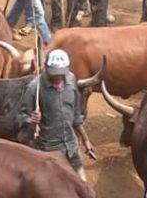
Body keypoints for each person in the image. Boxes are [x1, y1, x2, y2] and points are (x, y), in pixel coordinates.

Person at [17, 49, 93, 181]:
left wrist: (86, 141)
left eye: (61, 73)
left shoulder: (71, 81)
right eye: (54, 73)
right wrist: (31, 119)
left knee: (83, 186)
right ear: (46, 68)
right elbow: (19, 117)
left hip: (71, 146)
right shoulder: (35, 87)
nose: (58, 77)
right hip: (48, 148)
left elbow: (76, 117)